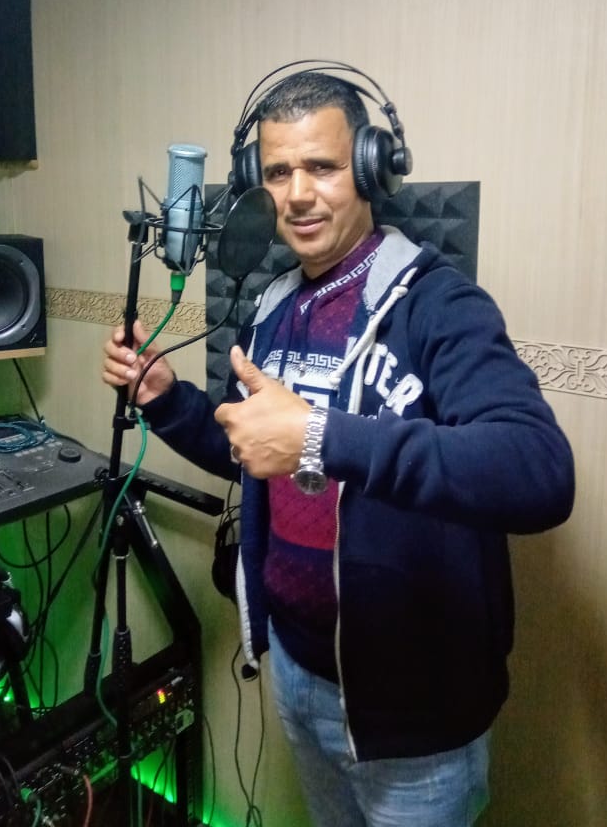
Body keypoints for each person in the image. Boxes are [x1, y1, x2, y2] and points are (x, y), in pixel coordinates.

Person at [102, 67, 574, 827]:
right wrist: (168, 400)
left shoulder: (441, 305)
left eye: (321, 166)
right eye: (278, 172)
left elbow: (538, 472)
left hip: (415, 709)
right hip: (297, 670)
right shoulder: (274, 306)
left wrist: (322, 436)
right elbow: (258, 452)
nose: (297, 194)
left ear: (371, 168)